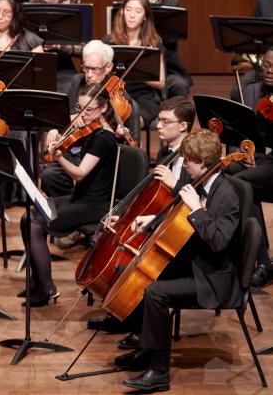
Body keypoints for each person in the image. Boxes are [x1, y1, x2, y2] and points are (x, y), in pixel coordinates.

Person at [114, 130, 241, 392]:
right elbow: (177, 215)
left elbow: (218, 242)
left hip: (213, 278)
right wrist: (153, 220)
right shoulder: (202, 183)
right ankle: (146, 350)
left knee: (156, 292)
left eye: (189, 162)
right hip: (197, 262)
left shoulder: (226, 194)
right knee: (141, 272)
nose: (186, 167)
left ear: (204, 163)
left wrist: (196, 209)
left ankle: (159, 372)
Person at [88, 96, 195, 339]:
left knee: (130, 266)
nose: (158, 125)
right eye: (159, 119)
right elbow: (155, 200)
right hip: (158, 223)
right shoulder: (166, 151)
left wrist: (175, 184)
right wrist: (125, 216)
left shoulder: (192, 157)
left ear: (183, 126)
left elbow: (190, 204)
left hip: (179, 236)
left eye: (166, 121)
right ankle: (123, 316)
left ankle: (139, 329)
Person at [26, 83, 119, 306]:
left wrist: (58, 158)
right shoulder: (91, 128)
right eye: (80, 107)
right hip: (81, 198)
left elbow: (79, 174)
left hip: (95, 206)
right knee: (27, 216)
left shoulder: (103, 138)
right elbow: (67, 120)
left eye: (89, 110)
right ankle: (38, 284)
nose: (83, 115)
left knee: (33, 224)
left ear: (104, 108)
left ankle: (46, 288)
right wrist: (56, 128)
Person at [41, 40, 138, 201]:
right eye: (85, 68)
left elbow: (126, 132)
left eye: (94, 69)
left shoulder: (117, 94)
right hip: (76, 146)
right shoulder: (77, 81)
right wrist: (56, 127)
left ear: (108, 67)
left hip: (99, 154)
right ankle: (69, 203)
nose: (89, 74)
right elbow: (67, 114)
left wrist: (121, 132)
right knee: (50, 176)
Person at [232, 47, 273, 286]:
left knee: (241, 182)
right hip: (258, 160)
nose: (270, 71)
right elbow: (241, 133)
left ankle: (261, 262)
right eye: (267, 65)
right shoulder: (251, 91)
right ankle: (262, 261)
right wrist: (243, 154)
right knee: (230, 173)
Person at [132, 0, 193, 98]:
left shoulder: (172, 3)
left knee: (180, 85)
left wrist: (153, 5)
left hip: (167, 68)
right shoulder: (128, 4)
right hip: (135, 67)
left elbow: (170, 41)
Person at [104, 0, 166, 129]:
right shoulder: (109, 41)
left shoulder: (154, 44)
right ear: (122, 12)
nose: (132, 15)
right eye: (128, 10)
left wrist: (137, 71)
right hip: (115, 95)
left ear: (145, 17)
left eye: (138, 11)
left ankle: (133, 149)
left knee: (134, 121)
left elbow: (161, 82)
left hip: (144, 97)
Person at [29, 0, 80, 93]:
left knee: (72, 87)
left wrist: (60, 45)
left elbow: (82, 49)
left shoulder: (72, 9)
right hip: (36, 67)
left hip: (64, 68)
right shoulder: (30, 9)